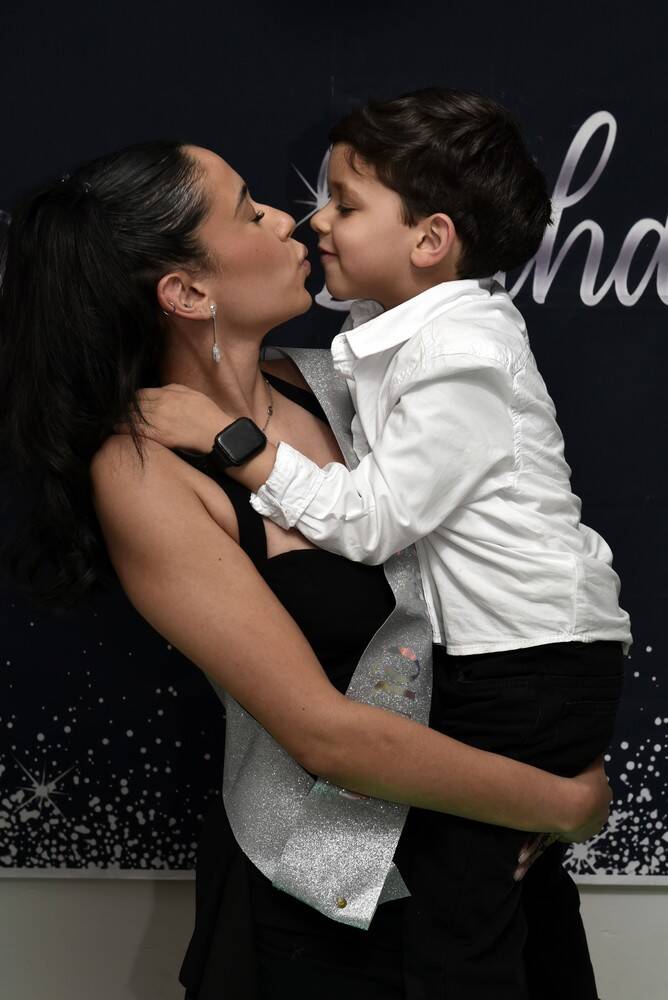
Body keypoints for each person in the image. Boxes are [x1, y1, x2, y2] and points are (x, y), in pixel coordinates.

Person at [1, 139, 610, 1000]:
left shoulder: (350, 380)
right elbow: (324, 735)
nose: (292, 221)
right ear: (187, 292)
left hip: (491, 868)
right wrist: (565, 803)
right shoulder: (143, 474)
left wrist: (552, 755)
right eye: (250, 212)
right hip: (324, 908)